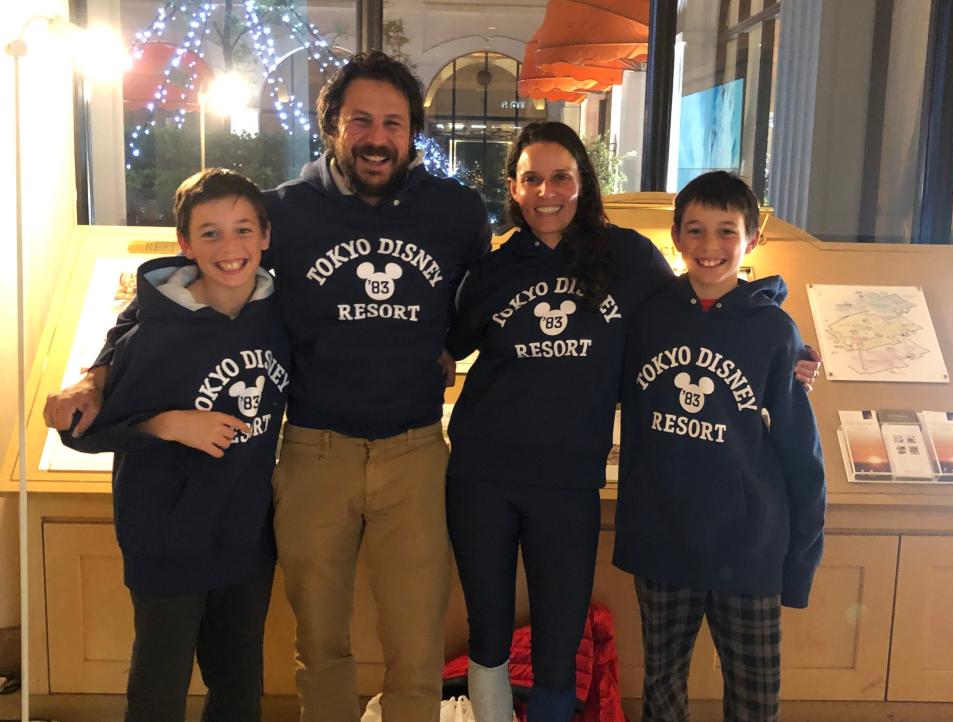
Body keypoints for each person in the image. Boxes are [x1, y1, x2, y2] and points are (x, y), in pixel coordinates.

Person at [44, 52, 490, 722]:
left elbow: (479, 305)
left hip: (416, 453)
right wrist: (96, 373)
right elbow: (167, 293)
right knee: (320, 645)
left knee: (417, 647)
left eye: (393, 123)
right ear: (333, 125)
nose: (377, 136)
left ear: (412, 131)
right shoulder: (284, 213)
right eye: (360, 119)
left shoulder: (456, 213)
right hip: (313, 453)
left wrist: (447, 350)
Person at [443, 124, 820, 722]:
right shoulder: (493, 270)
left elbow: (704, 304)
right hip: (483, 474)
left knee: (559, 641)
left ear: (583, 183)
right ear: (512, 189)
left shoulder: (627, 257)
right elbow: (448, 345)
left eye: (561, 176)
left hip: (570, 482)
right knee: (488, 631)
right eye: (532, 178)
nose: (547, 191)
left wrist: (776, 322)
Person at [60, 168, 290, 722]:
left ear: (265, 236)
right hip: (167, 538)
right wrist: (166, 424)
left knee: (238, 686)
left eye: (242, 230)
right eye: (209, 233)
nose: (229, 247)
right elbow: (82, 432)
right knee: (160, 685)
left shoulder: (279, 315)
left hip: (246, 536)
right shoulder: (153, 335)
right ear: (185, 243)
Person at [613, 171, 827, 722]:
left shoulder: (775, 333)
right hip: (662, 540)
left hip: (750, 547)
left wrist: (799, 562)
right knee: (662, 691)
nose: (710, 247)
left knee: (755, 699)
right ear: (676, 237)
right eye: (696, 231)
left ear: (752, 238)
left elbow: (803, 456)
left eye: (726, 232)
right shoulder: (647, 318)